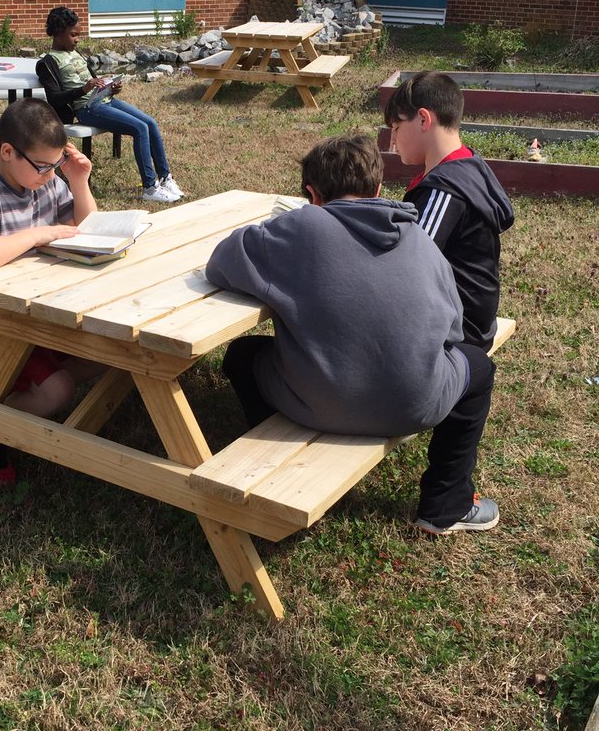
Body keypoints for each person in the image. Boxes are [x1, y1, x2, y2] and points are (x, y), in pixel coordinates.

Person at [205, 134, 500, 535]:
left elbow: (220, 263)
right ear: (379, 188)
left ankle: (275, 441)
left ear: (312, 193)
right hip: (418, 406)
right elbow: (451, 329)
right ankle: (445, 505)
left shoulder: (299, 227)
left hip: (314, 399)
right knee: (478, 367)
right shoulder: (420, 238)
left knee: (242, 354)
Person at [0, 98, 103, 485]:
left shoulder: (42, 180)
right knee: (58, 389)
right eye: (44, 166)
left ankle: (17, 397)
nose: (51, 176)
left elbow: (87, 229)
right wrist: (38, 234)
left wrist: (79, 181)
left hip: (33, 308)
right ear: (7, 151)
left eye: (56, 166)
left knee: (107, 357)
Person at [384, 70, 514, 351]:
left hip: (459, 333)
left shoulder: (445, 189)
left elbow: (408, 266)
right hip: (468, 319)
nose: (391, 142)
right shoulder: (467, 164)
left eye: (395, 128)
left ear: (423, 119)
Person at [36, 5, 185, 204]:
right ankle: (149, 187)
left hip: (104, 100)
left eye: (78, 35)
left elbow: (92, 80)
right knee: (139, 128)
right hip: (87, 109)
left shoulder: (77, 54)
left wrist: (109, 87)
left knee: (150, 123)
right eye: (73, 35)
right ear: (57, 33)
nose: (77, 39)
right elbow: (54, 98)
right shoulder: (47, 62)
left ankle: (165, 178)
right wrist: (84, 90)